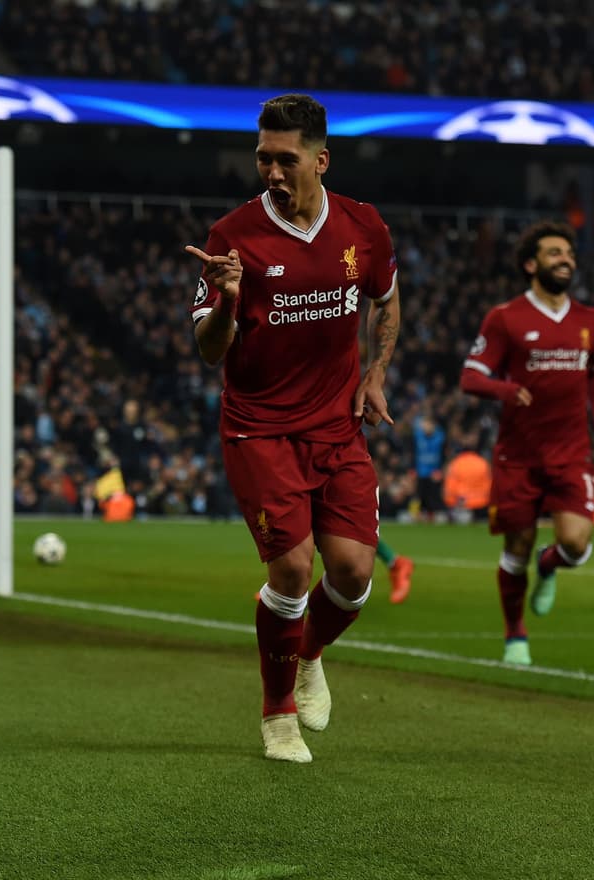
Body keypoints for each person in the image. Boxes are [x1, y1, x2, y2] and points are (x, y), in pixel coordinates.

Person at [185, 93, 401, 763]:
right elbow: (209, 350)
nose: (272, 172)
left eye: (285, 160)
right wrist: (225, 300)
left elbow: (387, 303)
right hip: (260, 429)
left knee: (355, 576)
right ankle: (278, 716)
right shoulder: (232, 237)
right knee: (292, 571)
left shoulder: (364, 228)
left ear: (320, 159)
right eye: (262, 158)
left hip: (337, 427)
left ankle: (307, 655)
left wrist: (377, 374)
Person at [460, 221, 594, 667]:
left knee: (576, 545)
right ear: (531, 264)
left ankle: (551, 565)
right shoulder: (506, 318)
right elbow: (470, 376)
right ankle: (515, 637)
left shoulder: (590, 320)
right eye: (554, 253)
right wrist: (506, 390)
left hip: (572, 454)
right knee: (516, 549)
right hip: (519, 456)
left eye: (568, 253)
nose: (565, 259)